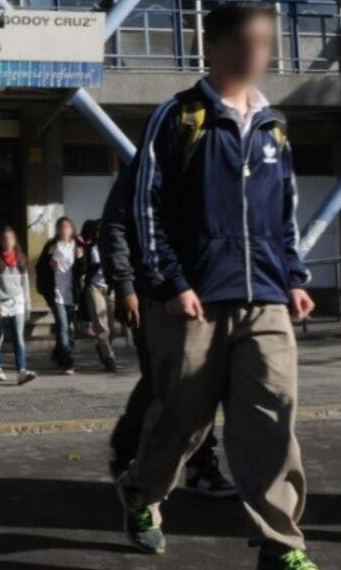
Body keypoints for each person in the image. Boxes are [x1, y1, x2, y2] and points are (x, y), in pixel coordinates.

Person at [118, 2, 321, 570]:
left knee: (271, 423)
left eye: (266, 42)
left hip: (267, 303)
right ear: (215, 48)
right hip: (194, 303)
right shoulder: (179, 117)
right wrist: (169, 281)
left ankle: (282, 548)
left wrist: (295, 277)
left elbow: (285, 214)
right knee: (183, 421)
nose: (260, 53)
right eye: (247, 42)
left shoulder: (274, 125)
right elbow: (144, 206)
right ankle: (141, 490)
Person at [101, 140, 235, 498]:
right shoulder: (138, 175)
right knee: (164, 384)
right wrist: (125, 286)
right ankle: (128, 451)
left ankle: (200, 464)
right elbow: (114, 229)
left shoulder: (205, 172)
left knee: (206, 384)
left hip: (207, 295)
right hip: (156, 298)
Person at [0, 227, 35, 386]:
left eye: (11, 239)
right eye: (4, 239)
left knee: (19, 337)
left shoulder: (20, 259)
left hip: (17, 301)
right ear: (0, 241)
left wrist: (27, 305)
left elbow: (25, 284)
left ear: (15, 241)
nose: (8, 242)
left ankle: (22, 371)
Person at [36, 216, 83, 374]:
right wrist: (49, 264)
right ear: (57, 229)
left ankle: (57, 353)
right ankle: (68, 362)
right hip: (56, 291)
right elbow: (40, 266)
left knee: (67, 327)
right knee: (63, 326)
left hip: (72, 292)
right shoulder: (51, 246)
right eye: (61, 227)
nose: (64, 230)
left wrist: (81, 258)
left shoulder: (78, 245)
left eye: (67, 227)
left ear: (72, 229)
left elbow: (83, 270)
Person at [81, 219, 117, 371]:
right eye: (98, 231)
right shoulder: (89, 248)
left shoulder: (114, 247)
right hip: (94, 287)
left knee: (114, 327)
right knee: (101, 326)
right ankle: (109, 357)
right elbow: (83, 268)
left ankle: (101, 347)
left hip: (111, 288)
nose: (101, 234)